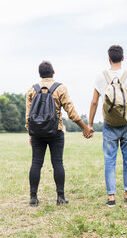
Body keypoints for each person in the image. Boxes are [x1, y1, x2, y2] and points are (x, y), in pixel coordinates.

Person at [25, 61, 93, 206]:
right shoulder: (60, 88)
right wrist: (84, 128)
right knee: (57, 163)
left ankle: (33, 198)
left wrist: (30, 134)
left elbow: (28, 116)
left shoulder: (32, 89)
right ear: (53, 72)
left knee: (36, 163)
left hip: (37, 133)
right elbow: (71, 111)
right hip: (56, 131)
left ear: (40, 74)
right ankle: (60, 198)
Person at [88, 45, 127, 207]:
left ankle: (111, 197)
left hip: (109, 124)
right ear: (123, 58)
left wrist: (89, 124)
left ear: (108, 58)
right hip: (126, 122)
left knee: (109, 160)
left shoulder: (100, 77)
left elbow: (95, 102)